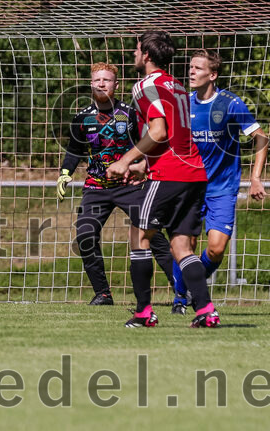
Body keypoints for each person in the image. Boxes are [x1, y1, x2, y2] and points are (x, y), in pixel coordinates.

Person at [107, 31, 217, 328]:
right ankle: (206, 309)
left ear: (146, 55)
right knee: (182, 247)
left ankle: (144, 311)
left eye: (136, 48)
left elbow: (159, 130)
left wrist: (125, 160)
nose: (133, 53)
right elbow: (176, 134)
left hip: (170, 173)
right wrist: (145, 163)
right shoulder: (177, 85)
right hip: (194, 173)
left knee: (139, 237)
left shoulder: (145, 85)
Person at [57, 62, 175, 305]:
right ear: (91, 84)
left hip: (129, 185)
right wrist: (65, 173)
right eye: (98, 80)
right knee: (85, 236)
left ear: (116, 85)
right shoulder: (81, 117)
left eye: (107, 80)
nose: (102, 84)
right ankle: (103, 294)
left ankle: (183, 289)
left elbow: (151, 141)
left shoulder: (131, 114)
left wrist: (142, 165)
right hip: (95, 189)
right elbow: (74, 150)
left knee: (154, 236)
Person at [170, 49, 269, 314]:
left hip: (221, 189)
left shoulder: (231, 103)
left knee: (215, 249)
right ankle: (181, 297)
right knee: (185, 246)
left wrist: (255, 178)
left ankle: (190, 285)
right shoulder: (183, 104)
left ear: (212, 74)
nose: (191, 71)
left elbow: (261, 137)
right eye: (190, 67)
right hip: (188, 186)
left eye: (198, 68)